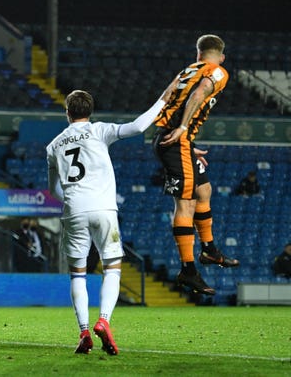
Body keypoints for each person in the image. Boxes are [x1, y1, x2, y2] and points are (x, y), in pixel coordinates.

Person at [46, 83, 176, 355]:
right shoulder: (99, 130)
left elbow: (53, 189)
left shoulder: (54, 145)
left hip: (74, 210)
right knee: (112, 268)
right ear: (90, 111)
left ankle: (83, 332)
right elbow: (138, 127)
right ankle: (103, 321)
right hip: (104, 209)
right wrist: (162, 100)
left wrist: (71, 201)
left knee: (77, 275)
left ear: (66, 112)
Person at [152, 34, 239, 297]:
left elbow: (166, 96)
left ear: (197, 53)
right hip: (176, 140)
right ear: (221, 56)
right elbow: (201, 92)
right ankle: (188, 269)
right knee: (186, 203)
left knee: (204, 191)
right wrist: (181, 129)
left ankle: (209, 249)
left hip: (178, 142)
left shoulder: (188, 69)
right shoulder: (218, 71)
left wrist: (185, 143)